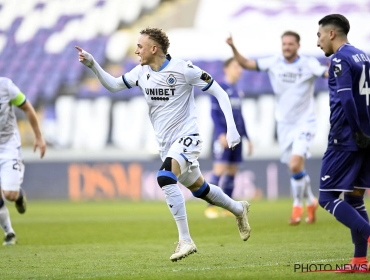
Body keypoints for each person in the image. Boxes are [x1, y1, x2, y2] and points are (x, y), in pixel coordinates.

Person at [75, 27, 251, 262]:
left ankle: (185, 240)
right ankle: (239, 209)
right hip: (167, 145)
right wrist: (94, 64)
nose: (137, 51)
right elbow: (115, 85)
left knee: (165, 177)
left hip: (188, 137)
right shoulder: (141, 72)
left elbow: (220, 92)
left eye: (140, 46)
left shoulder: (183, 69)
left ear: (153, 48)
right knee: (201, 190)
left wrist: (231, 128)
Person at [226, 31, 328, 225]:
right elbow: (246, 63)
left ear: (298, 45)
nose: (287, 47)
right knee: (294, 168)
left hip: (305, 122)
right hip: (284, 125)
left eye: (291, 44)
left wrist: (334, 70)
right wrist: (232, 47)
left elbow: (325, 72)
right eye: (284, 44)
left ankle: (298, 205)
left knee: (296, 164)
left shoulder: (308, 64)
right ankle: (311, 201)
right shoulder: (274, 62)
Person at [0, 50, 46, 245]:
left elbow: (27, 107)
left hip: (7, 147)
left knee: (10, 194)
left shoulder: (5, 86)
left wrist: (38, 136)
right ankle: (9, 233)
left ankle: (19, 197)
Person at [317, 14, 370, 272]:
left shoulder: (339, 58)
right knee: (355, 198)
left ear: (331, 34)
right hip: (366, 135)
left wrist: (357, 131)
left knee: (326, 197)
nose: (318, 43)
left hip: (346, 136)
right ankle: (360, 262)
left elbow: (347, 99)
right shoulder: (364, 56)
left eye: (318, 36)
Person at [205, 58, 253, 219]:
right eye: (235, 67)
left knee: (232, 170)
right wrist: (220, 133)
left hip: (237, 138)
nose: (239, 70)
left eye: (240, 67)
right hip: (223, 137)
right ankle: (210, 207)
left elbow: (240, 117)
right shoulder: (219, 89)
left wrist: (247, 138)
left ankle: (227, 207)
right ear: (226, 69)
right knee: (219, 169)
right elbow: (214, 114)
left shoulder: (237, 91)